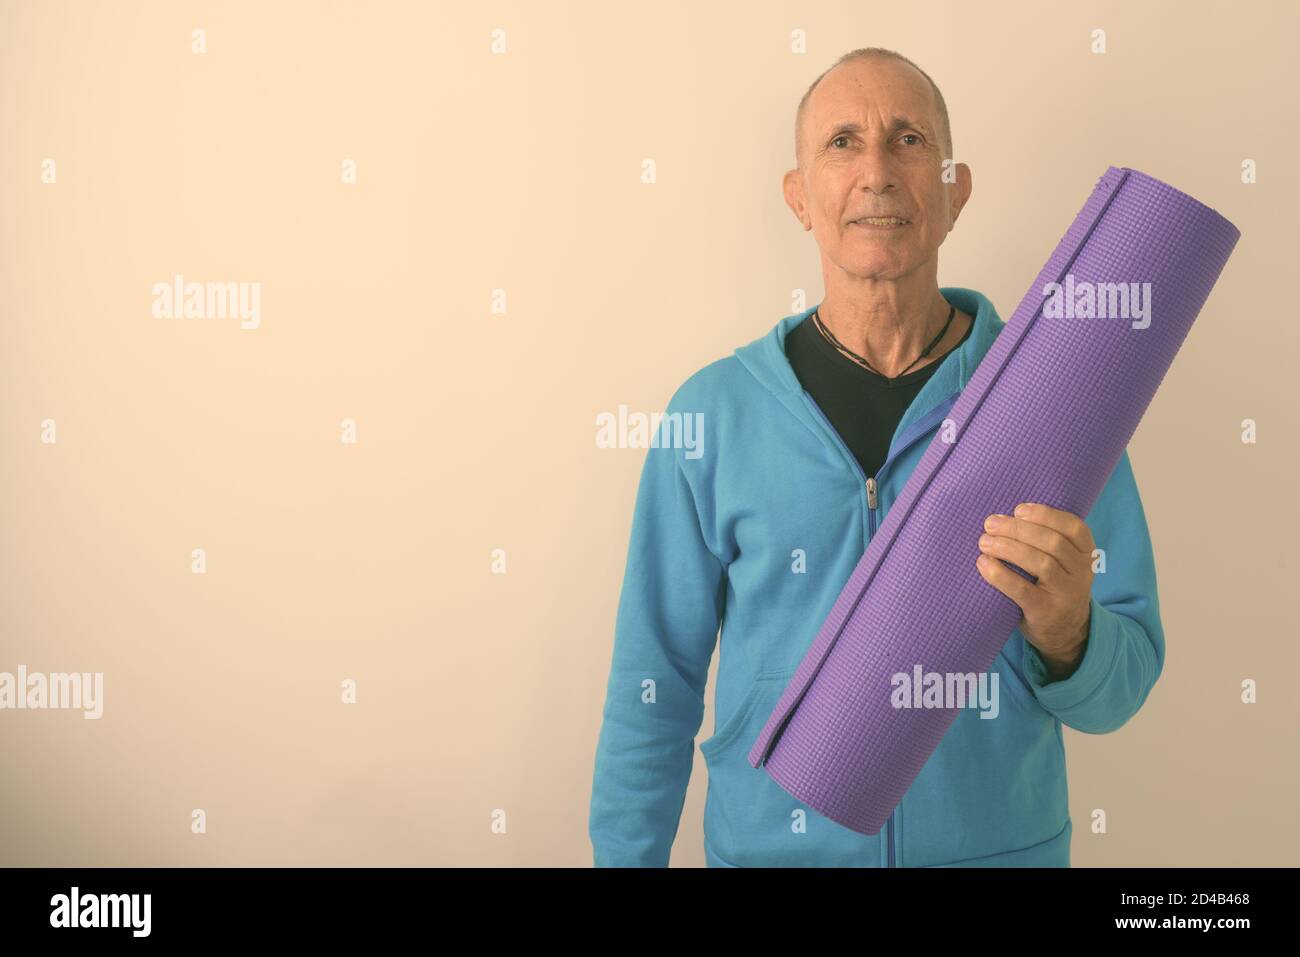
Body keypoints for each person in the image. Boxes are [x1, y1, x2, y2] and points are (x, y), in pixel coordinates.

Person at [588, 48, 1164, 867]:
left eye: (909, 140)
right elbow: (654, 688)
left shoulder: (1055, 399)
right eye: (842, 143)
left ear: (955, 191)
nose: (877, 171)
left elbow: (1124, 687)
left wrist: (1071, 632)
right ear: (800, 197)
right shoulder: (712, 415)